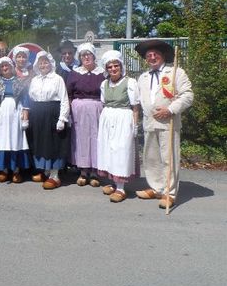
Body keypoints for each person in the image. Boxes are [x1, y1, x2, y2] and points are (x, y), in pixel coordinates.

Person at [134, 40, 193, 209]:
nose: (152, 57)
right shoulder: (143, 77)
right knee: (151, 159)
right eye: (148, 55)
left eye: (155, 54)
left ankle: (169, 192)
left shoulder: (175, 72)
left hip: (169, 122)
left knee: (169, 159)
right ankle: (157, 188)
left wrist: (170, 109)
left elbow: (188, 95)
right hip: (149, 123)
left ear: (162, 56)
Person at [95, 50, 140, 203]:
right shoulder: (104, 84)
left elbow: (135, 107)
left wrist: (135, 126)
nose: (113, 69)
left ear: (121, 66)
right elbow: (103, 103)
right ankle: (114, 183)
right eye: (110, 67)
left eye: (116, 66)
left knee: (121, 150)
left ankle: (121, 188)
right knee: (109, 150)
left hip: (123, 118)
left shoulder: (130, 83)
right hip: (108, 118)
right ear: (106, 69)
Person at [27, 51, 70, 189]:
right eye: (40, 62)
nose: (43, 65)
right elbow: (30, 98)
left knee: (53, 144)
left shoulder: (57, 79)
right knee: (41, 143)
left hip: (52, 113)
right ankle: (45, 171)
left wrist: (62, 119)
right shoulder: (35, 80)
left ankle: (55, 175)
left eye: (45, 62)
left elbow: (64, 99)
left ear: (51, 63)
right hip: (37, 114)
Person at [66, 43, 105, 187]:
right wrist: (69, 112)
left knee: (96, 139)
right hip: (79, 110)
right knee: (81, 140)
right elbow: (68, 94)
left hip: (97, 109)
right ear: (80, 58)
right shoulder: (75, 73)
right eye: (83, 55)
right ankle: (83, 171)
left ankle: (95, 172)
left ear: (94, 56)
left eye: (88, 54)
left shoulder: (102, 73)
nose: (86, 57)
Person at [0, 56, 31, 183]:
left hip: (15, 114)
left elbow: (25, 99)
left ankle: (16, 170)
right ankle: (4, 169)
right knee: (2, 140)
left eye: (7, 66)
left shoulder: (20, 82)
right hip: (0, 113)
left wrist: (25, 116)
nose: (5, 68)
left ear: (12, 67)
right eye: (2, 67)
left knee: (15, 140)